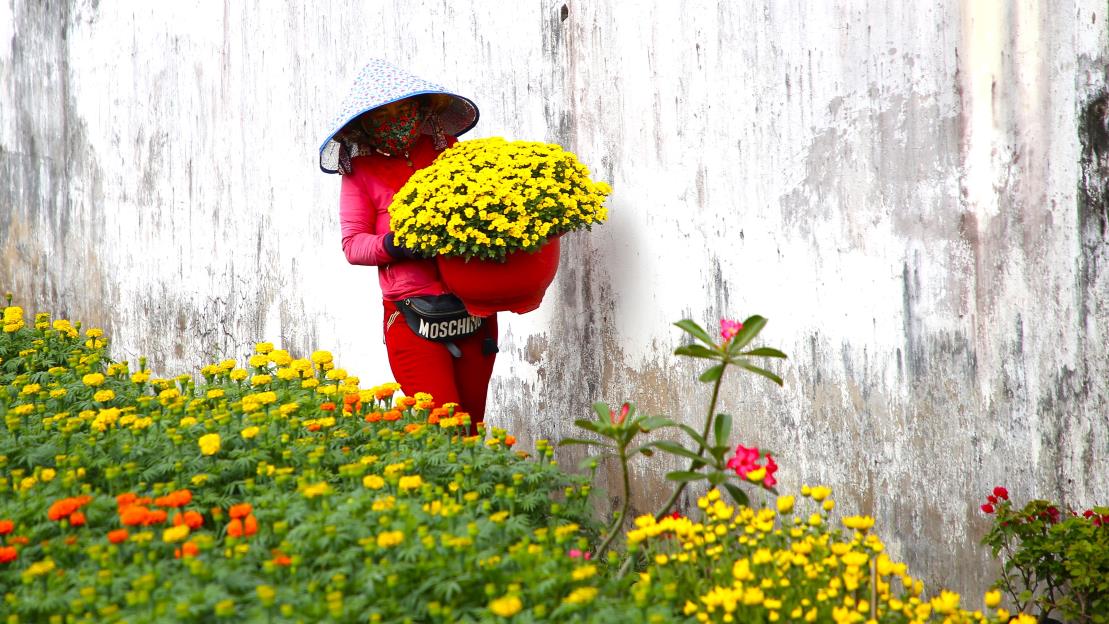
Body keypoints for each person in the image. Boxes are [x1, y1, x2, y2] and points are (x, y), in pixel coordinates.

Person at [318, 59, 496, 433]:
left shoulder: (449, 151)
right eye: (384, 115)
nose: (396, 121)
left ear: (422, 109)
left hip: (474, 304)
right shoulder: (360, 173)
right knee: (444, 428)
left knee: (472, 427)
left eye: (403, 110)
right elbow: (353, 245)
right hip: (413, 314)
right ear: (365, 125)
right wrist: (400, 245)